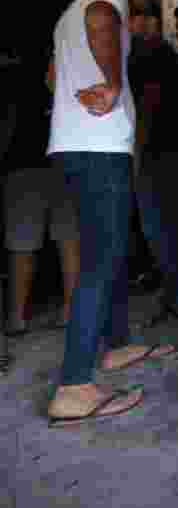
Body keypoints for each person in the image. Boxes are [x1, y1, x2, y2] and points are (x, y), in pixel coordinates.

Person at [46, 0, 178, 427]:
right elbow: (102, 26)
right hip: (97, 149)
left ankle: (114, 345)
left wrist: (78, 94)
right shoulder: (105, 3)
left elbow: (49, 77)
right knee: (101, 259)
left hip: (83, 146)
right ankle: (75, 385)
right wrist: (113, 82)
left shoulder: (72, 10)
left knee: (111, 249)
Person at [127, 1, 178, 321]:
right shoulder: (165, 54)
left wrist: (137, 154)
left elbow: (149, 104)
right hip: (174, 151)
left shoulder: (148, 54)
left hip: (159, 155)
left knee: (162, 228)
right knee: (172, 226)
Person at [4, 51, 80, 337]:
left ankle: (24, 316)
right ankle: (20, 316)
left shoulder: (20, 85)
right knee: (32, 241)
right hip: (34, 167)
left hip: (47, 166)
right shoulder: (59, 87)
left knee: (62, 237)